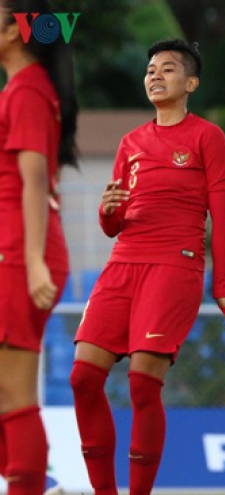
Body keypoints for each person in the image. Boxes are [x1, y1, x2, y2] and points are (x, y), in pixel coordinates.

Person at [69, 39, 225, 495]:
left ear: (190, 83)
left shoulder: (207, 137)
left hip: (175, 266)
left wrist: (223, 291)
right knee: (81, 378)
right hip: (123, 264)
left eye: (168, 69)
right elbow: (113, 225)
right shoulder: (130, 142)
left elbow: (224, 219)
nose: (155, 75)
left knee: (141, 384)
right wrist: (107, 210)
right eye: (151, 69)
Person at [0, 0, 78, 493]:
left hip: (19, 252)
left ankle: (34, 485)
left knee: (14, 389)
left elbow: (32, 182)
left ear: (12, 33)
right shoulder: (23, 89)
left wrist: (31, 264)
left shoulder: (27, 91)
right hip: (15, 248)